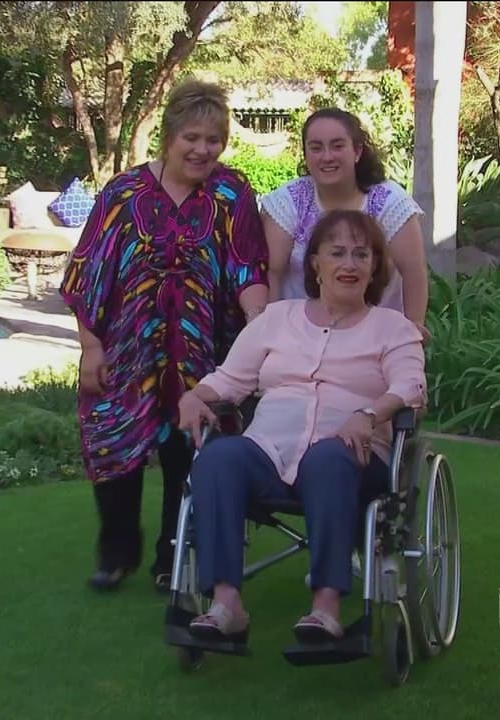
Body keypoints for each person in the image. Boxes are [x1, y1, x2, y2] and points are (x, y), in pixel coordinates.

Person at [174, 209, 426, 642]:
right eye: (337, 253)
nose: (349, 264)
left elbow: (410, 385)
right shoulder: (277, 318)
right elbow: (231, 380)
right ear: (315, 263)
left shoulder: (393, 328)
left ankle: (325, 608)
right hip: (270, 452)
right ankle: (226, 604)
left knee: (329, 457)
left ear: (374, 266)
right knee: (218, 458)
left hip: (352, 457)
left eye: (361, 255)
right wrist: (193, 395)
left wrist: (369, 415)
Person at [60, 79, 270, 594]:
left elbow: (247, 268)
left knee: (189, 451)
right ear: (170, 135)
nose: (202, 150)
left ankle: (171, 557)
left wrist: (262, 333)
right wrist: (90, 346)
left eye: (213, 140)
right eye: (192, 138)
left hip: (204, 353)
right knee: (113, 445)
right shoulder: (122, 194)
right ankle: (117, 552)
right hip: (127, 351)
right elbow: (87, 273)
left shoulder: (232, 193)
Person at [259, 108, 431, 339]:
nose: (327, 156)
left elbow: (413, 271)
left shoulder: (390, 202)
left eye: (338, 146)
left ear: (357, 151)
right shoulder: (288, 200)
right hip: (299, 338)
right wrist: (267, 334)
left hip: (376, 339)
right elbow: (273, 272)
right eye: (316, 147)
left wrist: (413, 330)